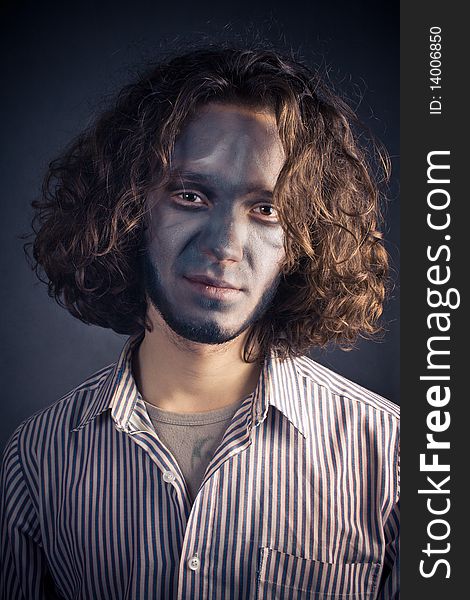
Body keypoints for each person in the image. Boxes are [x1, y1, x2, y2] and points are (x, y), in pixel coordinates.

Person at [0, 46, 399, 599]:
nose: (224, 246)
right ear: (129, 211)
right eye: (190, 195)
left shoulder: (395, 454)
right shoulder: (38, 457)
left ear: (307, 239)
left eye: (268, 210)